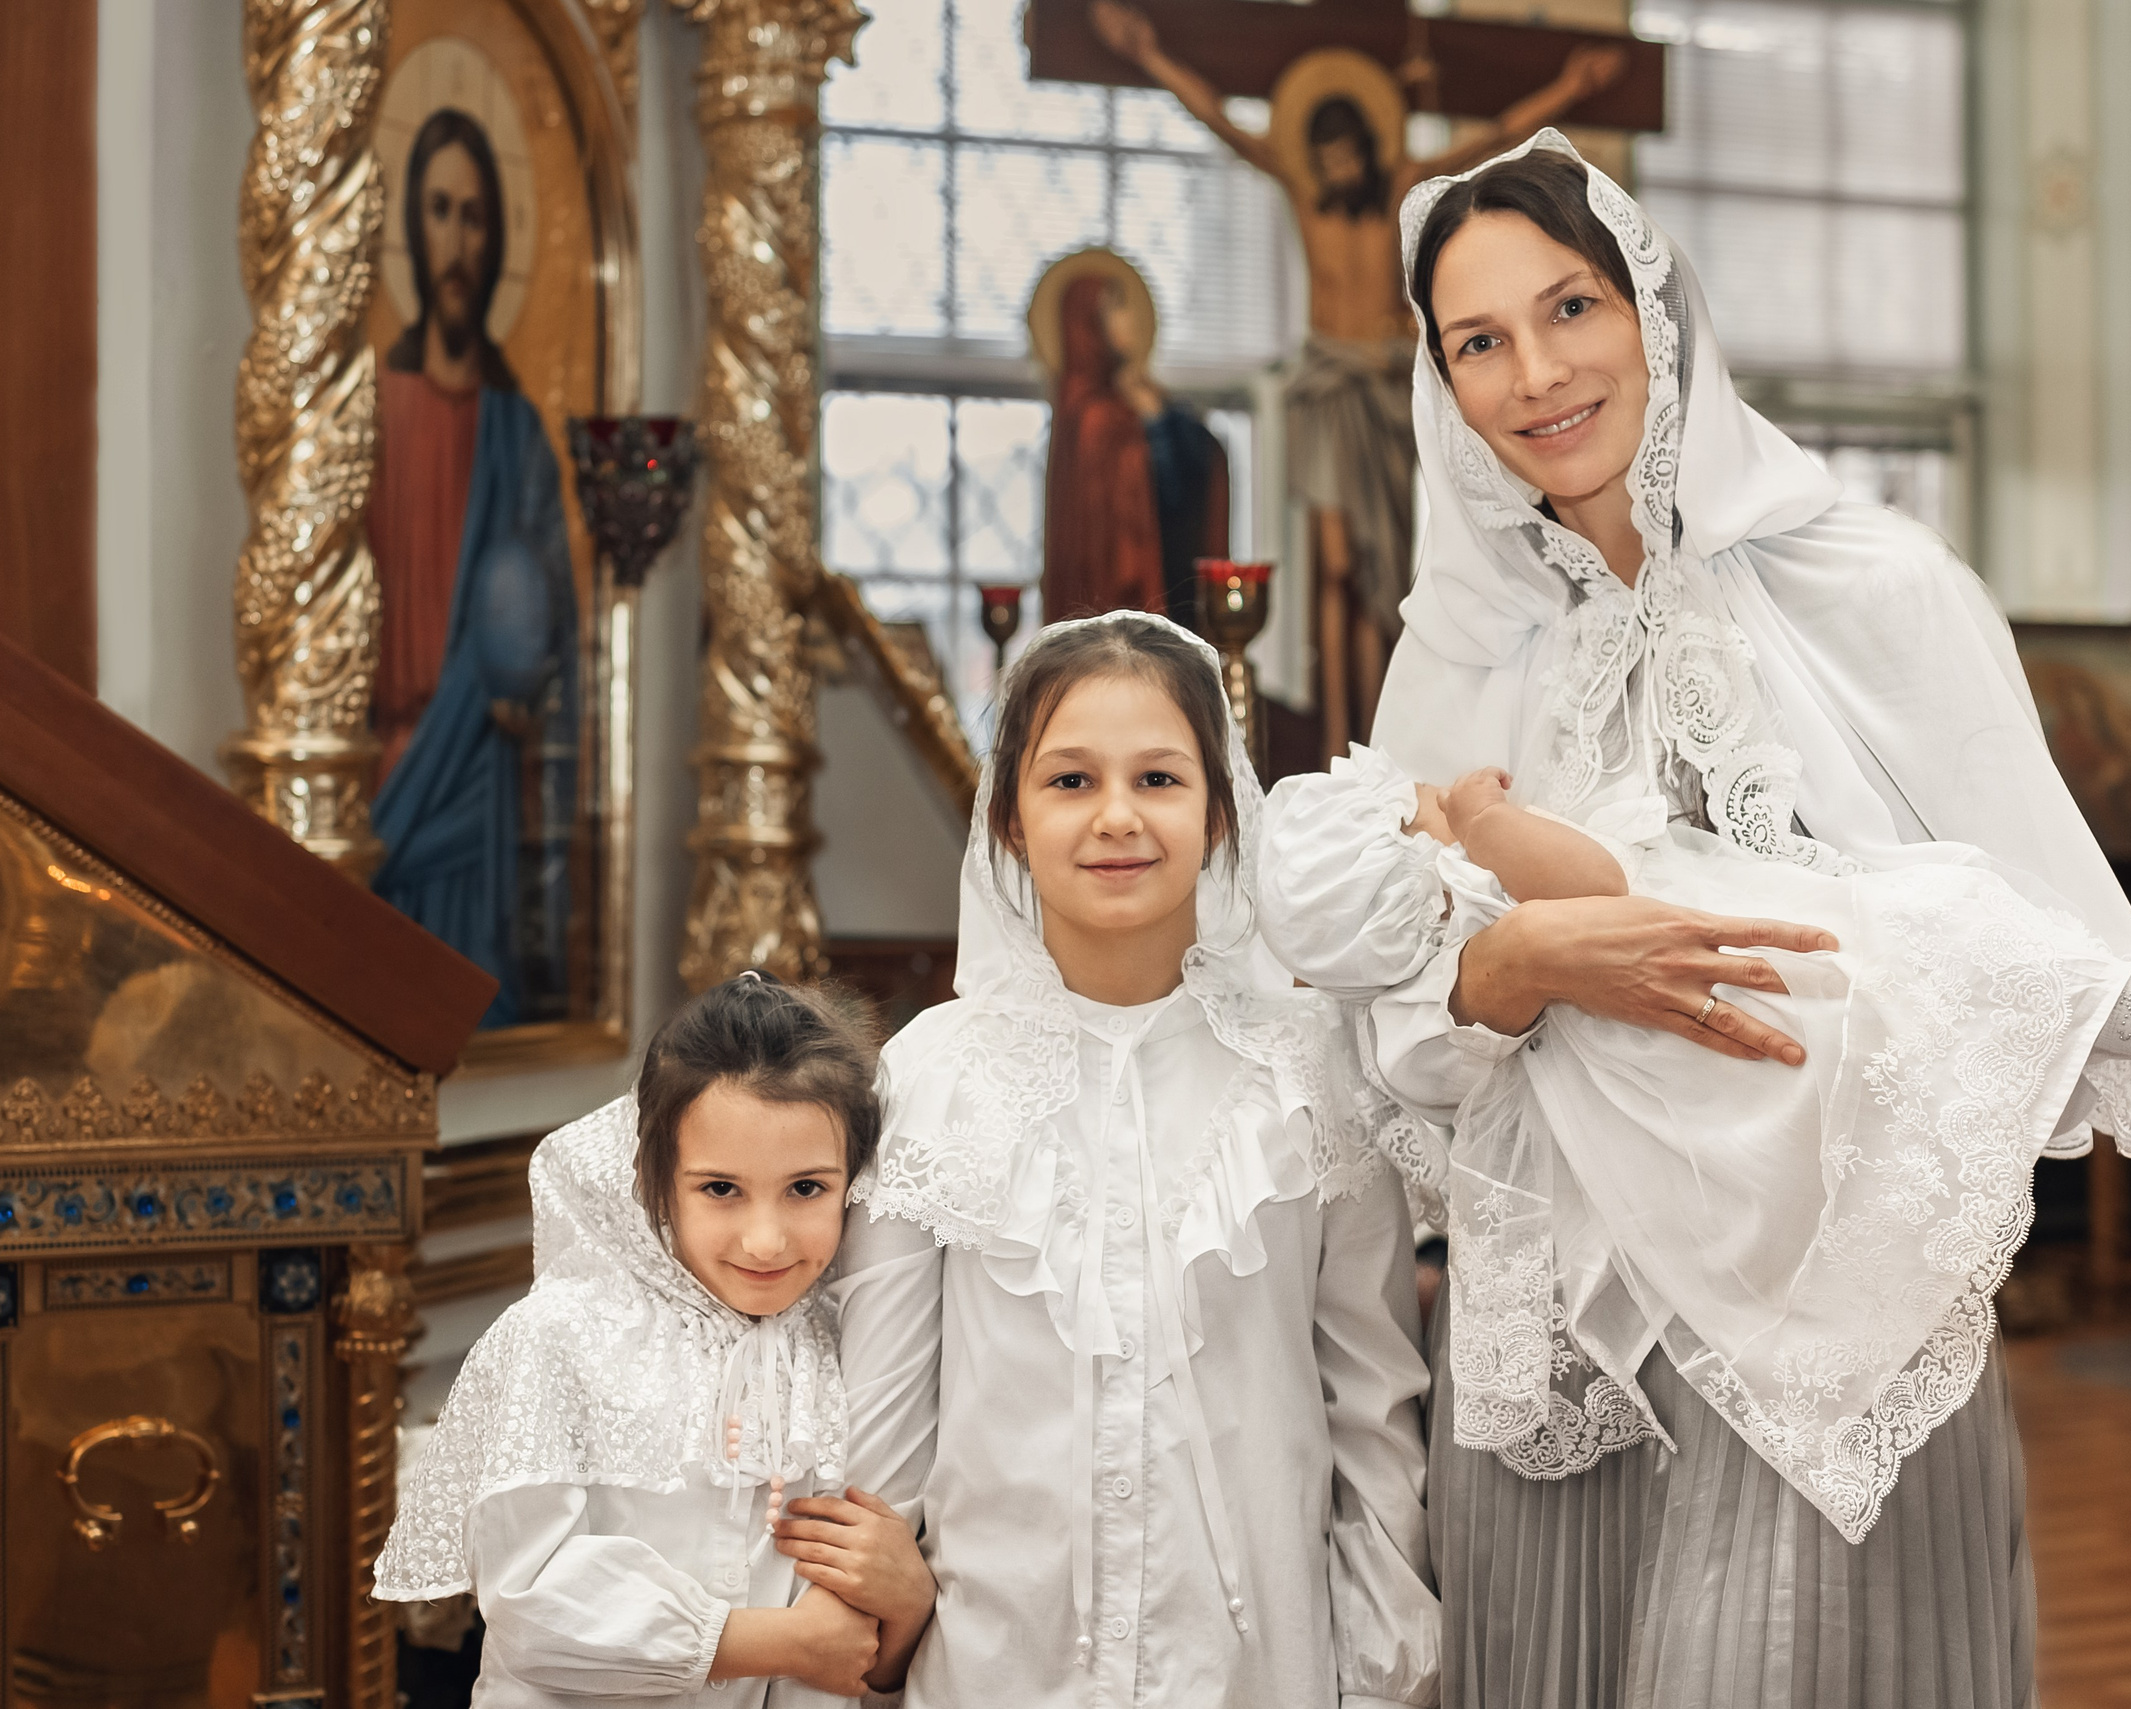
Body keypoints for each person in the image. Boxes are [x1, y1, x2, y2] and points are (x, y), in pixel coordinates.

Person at [1257, 131, 2131, 1708]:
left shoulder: (1882, 586)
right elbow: (1384, 1030)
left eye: (1571, 308)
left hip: (1821, 1297)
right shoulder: (1452, 660)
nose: (1536, 372)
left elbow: (2031, 942)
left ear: (1657, 311)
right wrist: (1518, 966)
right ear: (1439, 383)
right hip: (1563, 1323)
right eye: (1478, 341)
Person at [1281, 744, 2131, 1541]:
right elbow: (1596, 879)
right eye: (1406, 807)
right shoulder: (1488, 880)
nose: (1423, 787)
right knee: (1939, 920)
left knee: (1941, 926)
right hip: (1742, 974)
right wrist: (1488, 817)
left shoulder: (1455, 894)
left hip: (1734, 989)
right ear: (1420, 874)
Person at [828, 612, 1441, 1707]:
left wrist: (1386, 1663)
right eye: (1069, 781)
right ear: (1009, 820)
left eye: (1157, 776)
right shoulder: (930, 1074)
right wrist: (867, 1638)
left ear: (1217, 814)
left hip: (1256, 1663)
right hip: (994, 1662)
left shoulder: (1311, 1069)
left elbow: (1370, 1402)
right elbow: (882, 1420)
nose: (1116, 816)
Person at [372, 975, 935, 1704]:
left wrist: (911, 1599)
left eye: (806, 1188)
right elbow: (531, 1603)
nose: (765, 1241)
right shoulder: (558, 1336)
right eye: (720, 1188)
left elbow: (854, 1653)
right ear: (657, 1181)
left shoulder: (847, 1351)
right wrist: (777, 1641)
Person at [1090, 0, 1626, 755]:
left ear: (1367, 147)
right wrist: (1149, 55)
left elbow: (1497, 138)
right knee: (1335, 566)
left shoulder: (1407, 181)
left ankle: (1378, 728)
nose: (1334, 167)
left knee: (1382, 573)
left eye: (1344, 153)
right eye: (1324, 155)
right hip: (1327, 386)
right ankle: (1339, 734)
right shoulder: (1304, 191)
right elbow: (1220, 120)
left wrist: (1569, 89)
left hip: (1382, 387)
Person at [368, 106, 580, 1025]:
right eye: (439, 209)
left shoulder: (516, 431)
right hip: (385, 765)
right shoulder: (370, 411)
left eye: (475, 215)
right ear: (412, 227)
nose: (456, 240)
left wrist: (518, 674)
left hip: (481, 776)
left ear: (497, 238)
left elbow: (547, 615)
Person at [1040, 273, 1167, 623]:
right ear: (1087, 325)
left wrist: (1159, 421)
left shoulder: (1130, 404)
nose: (1128, 319)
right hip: (1111, 589)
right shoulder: (1092, 414)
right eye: (1114, 308)